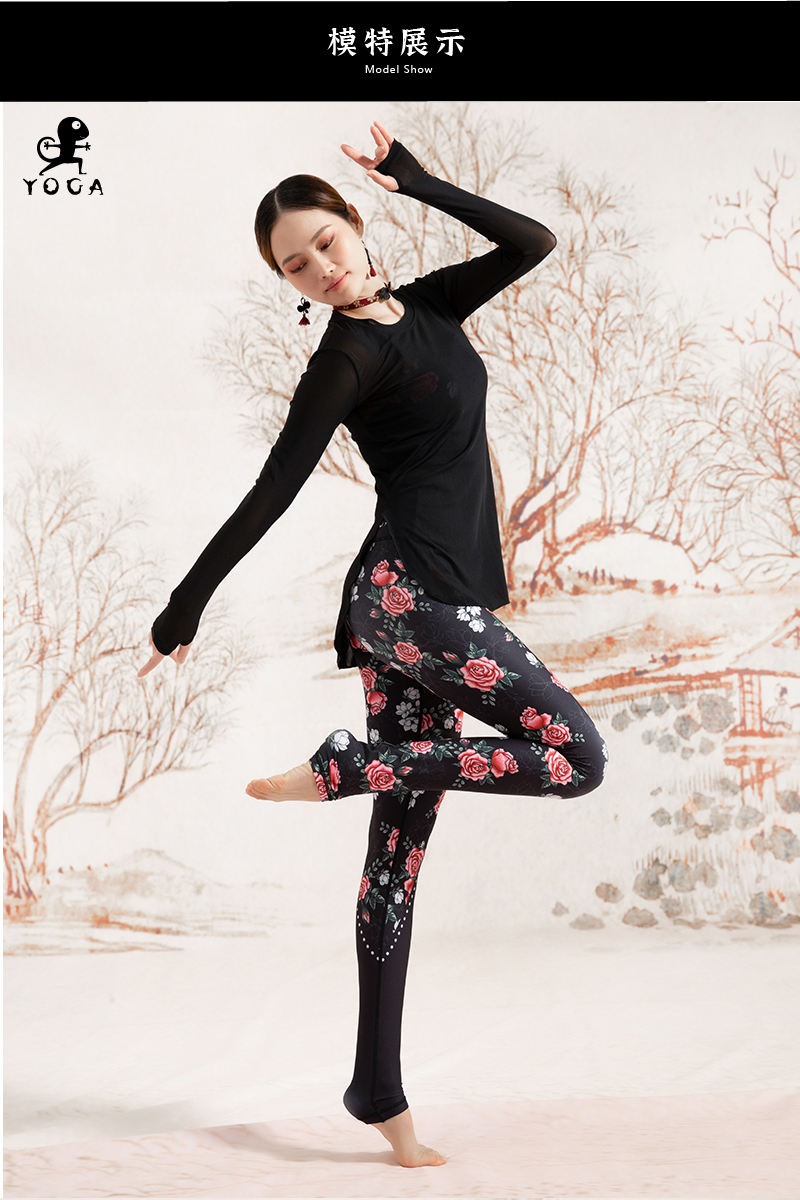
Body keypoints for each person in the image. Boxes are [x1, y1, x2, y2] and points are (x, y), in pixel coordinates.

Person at [138, 122, 608, 1168]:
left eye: (323, 241)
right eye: (293, 266)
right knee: (577, 758)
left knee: (396, 855)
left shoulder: (431, 307)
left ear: (354, 222)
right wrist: (184, 606)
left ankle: (377, 1092)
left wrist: (417, 179)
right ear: (288, 284)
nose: (319, 266)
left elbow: (530, 242)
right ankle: (352, 767)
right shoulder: (346, 355)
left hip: (416, 603)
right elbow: (274, 487)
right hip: (412, 601)